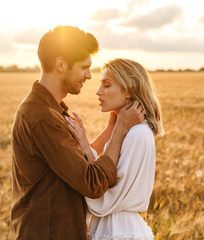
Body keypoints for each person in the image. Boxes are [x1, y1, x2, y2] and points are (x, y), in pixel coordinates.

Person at [10, 26, 145, 239]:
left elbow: (69, 162)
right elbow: (92, 182)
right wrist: (120, 130)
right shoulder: (42, 116)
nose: (89, 76)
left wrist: (109, 131)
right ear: (61, 64)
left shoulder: (51, 110)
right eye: (84, 67)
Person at [66, 58, 164, 240]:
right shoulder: (129, 132)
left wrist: (86, 147)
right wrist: (91, 142)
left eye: (106, 85)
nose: (98, 91)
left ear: (128, 90)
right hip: (110, 227)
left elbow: (106, 195)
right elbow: (102, 179)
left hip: (119, 231)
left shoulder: (138, 134)